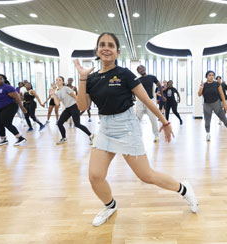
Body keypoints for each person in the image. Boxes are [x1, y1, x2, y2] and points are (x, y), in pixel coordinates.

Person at [75, 32, 198, 227]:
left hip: (126, 128)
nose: (106, 48)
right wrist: (82, 79)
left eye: (110, 45)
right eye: (102, 45)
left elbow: (146, 100)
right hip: (105, 128)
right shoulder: (91, 79)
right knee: (95, 176)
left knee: (146, 175)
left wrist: (164, 122)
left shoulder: (124, 74)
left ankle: (184, 189)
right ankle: (110, 205)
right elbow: (82, 106)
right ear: (97, 50)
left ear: (117, 52)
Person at [0, 74, 27, 146]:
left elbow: (17, 98)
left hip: (10, 106)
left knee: (6, 122)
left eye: (0, 78)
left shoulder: (8, 87)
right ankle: (3, 139)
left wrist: (22, 107)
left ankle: (20, 138)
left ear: (4, 79)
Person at [51, 76, 93, 145]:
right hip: (67, 108)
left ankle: (91, 136)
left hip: (74, 106)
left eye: (59, 80)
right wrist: (53, 95)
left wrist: (80, 105)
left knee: (77, 124)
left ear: (63, 82)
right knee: (59, 123)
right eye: (56, 80)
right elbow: (57, 103)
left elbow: (75, 97)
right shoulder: (57, 92)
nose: (57, 81)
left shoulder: (66, 88)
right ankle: (64, 138)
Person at [199, 71, 227, 141]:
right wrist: (201, 87)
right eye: (209, 75)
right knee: (207, 121)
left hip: (216, 103)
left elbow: (222, 94)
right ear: (206, 76)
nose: (211, 76)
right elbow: (199, 94)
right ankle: (208, 134)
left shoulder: (217, 84)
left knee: (223, 118)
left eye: (212, 75)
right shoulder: (204, 85)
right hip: (207, 104)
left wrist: (225, 104)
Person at [136, 65, 165, 142]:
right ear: (138, 72)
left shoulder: (152, 77)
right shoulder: (138, 80)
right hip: (140, 101)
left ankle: (156, 136)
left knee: (153, 118)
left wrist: (162, 96)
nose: (141, 69)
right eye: (139, 69)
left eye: (142, 68)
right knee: (137, 119)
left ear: (145, 68)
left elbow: (159, 86)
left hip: (150, 101)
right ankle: (136, 136)